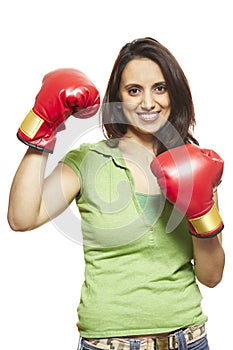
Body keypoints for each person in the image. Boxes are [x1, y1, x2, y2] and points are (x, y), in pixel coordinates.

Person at [7, 37, 225, 350]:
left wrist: (201, 211)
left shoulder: (195, 165)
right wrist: (43, 126)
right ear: (118, 98)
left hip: (187, 339)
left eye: (159, 88)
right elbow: (21, 217)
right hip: (108, 343)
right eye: (134, 90)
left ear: (174, 94)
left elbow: (212, 275)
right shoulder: (88, 161)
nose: (148, 102)